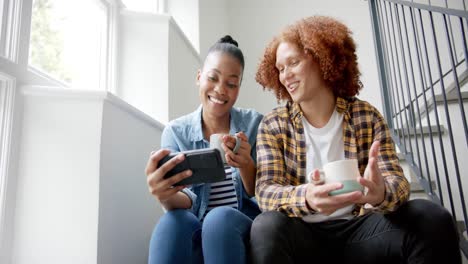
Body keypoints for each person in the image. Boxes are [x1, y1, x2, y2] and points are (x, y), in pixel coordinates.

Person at [250, 16, 461, 264]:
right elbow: (265, 191)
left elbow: (398, 183)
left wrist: (380, 193)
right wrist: (306, 197)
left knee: (431, 216)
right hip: (302, 233)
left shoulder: (366, 116)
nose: (285, 75)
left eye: (293, 63)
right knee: (266, 226)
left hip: (359, 230)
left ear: (322, 59)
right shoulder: (273, 124)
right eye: (280, 68)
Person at [145, 35, 263, 264]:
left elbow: (261, 192)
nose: (221, 90)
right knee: (171, 222)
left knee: (219, 219)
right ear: (199, 77)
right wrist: (163, 195)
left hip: (239, 224)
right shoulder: (176, 132)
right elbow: (184, 200)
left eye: (231, 84)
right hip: (197, 224)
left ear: (239, 88)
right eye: (213, 78)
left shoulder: (254, 124)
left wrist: (246, 163)